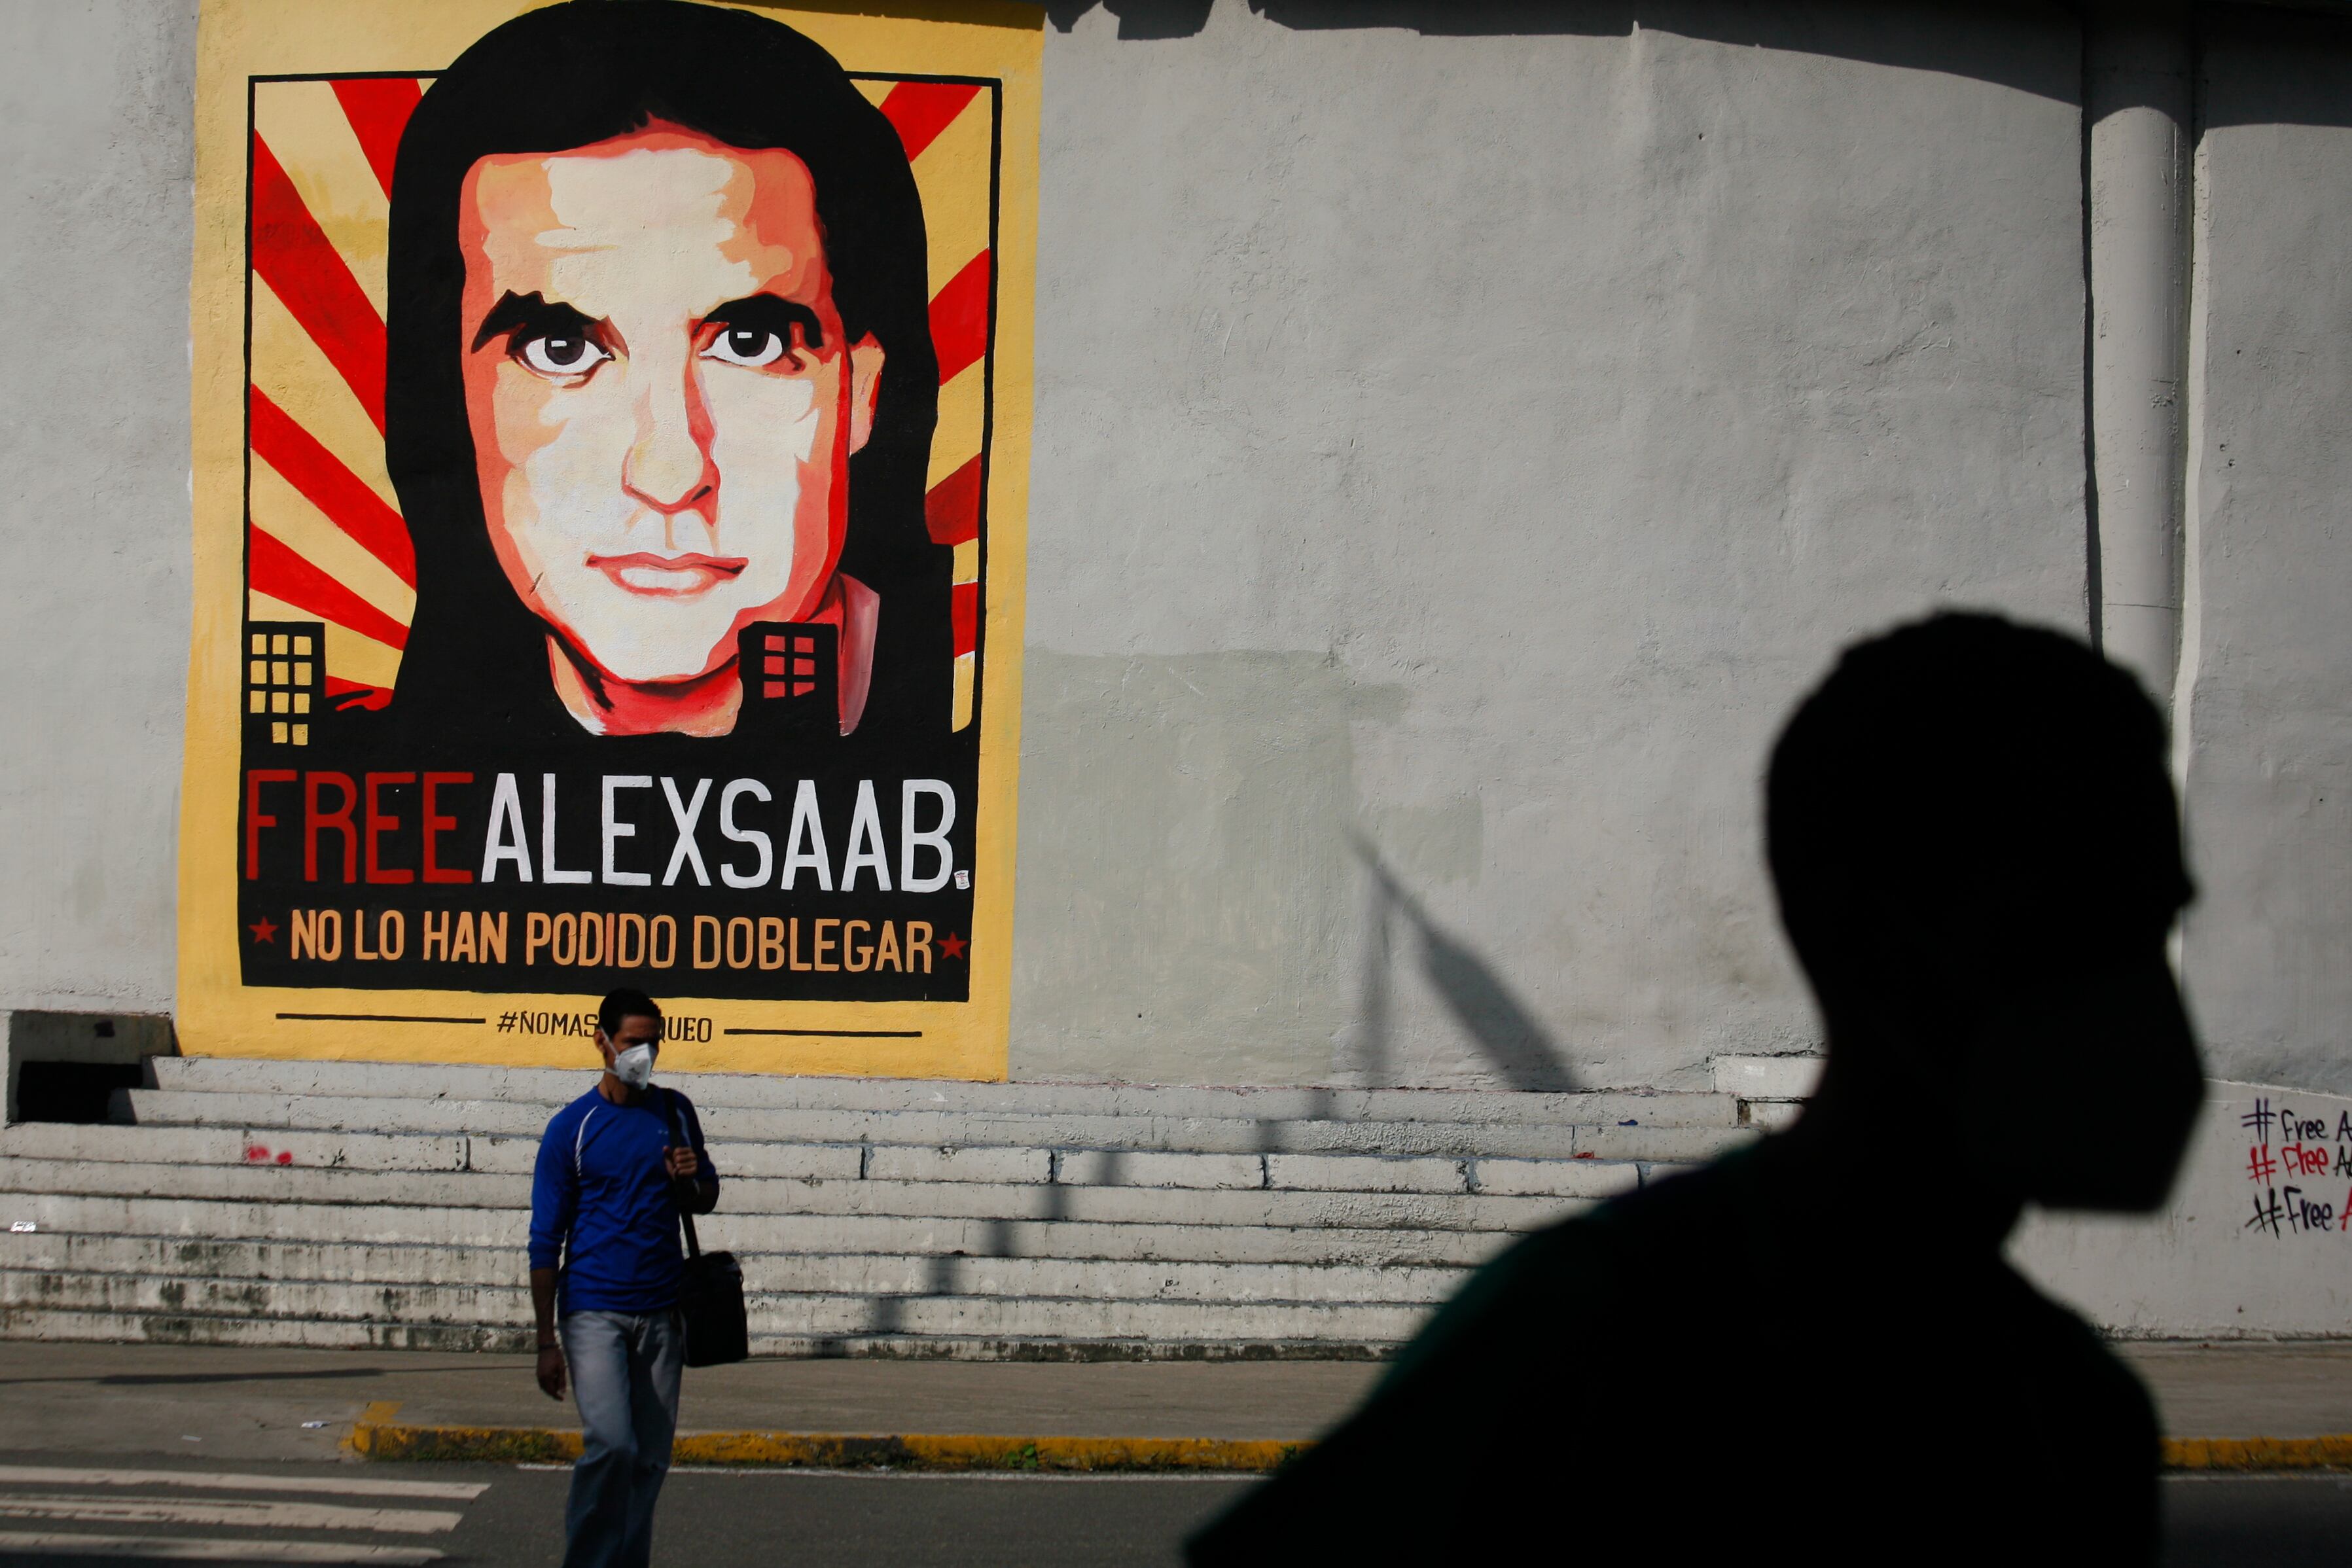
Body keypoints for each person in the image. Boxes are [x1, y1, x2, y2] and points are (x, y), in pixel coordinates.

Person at [1188, 613, 2205, 1565]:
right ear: (1879, 948)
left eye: (2149, 932)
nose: (2136, 1010)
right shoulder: (1594, 1341)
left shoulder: (2075, 1409)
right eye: (2074, 938)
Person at [383, 0, 950, 743]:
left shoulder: (979, 715)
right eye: (562, 349)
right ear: (462, 398)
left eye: (750, 341)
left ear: (862, 393)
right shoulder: (391, 768)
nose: (670, 471)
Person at [529, 986, 721, 1568]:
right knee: (612, 1444)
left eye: (653, 1042)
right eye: (635, 1042)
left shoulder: (675, 1111)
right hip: (593, 1310)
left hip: (663, 1311)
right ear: (603, 1042)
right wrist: (545, 1340)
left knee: (649, 1460)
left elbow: (706, 1196)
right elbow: (545, 1239)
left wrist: (688, 1177)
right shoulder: (573, 1128)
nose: (645, 1054)